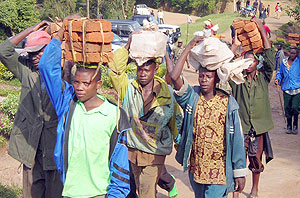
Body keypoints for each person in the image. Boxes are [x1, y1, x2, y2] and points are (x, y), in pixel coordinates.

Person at [38, 16, 131, 198]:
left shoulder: (115, 115)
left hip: (99, 194)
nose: (79, 87)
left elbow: (120, 166)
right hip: (68, 193)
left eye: (86, 83)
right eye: (76, 82)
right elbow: (46, 67)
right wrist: (62, 31)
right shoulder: (68, 105)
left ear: (98, 84)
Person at [170, 36, 248, 198]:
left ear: (216, 79)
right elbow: (174, 77)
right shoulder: (192, 97)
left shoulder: (228, 103)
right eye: (201, 76)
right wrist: (189, 46)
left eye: (208, 77)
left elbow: (237, 140)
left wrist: (239, 171)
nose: (204, 80)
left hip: (219, 172)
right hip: (196, 169)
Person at [108, 33, 182, 198]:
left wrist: (180, 146)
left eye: (146, 70)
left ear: (155, 69)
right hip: (134, 151)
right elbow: (114, 71)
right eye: (139, 69)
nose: (142, 74)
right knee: (142, 191)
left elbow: (175, 122)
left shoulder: (166, 93)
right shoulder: (129, 89)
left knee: (146, 192)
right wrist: (128, 46)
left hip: (155, 153)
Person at [0, 22, 64, 198]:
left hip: (54, 147)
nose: (35, 57)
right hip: (32, 147)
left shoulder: (62, 73)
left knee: (55, 193)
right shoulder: (26, 70)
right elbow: (3, 51)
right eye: (31, 53)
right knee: (31, 192)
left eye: (39, 52)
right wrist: (30, 30)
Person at [230, 18, 274, 198]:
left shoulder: (263, 77)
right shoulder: (236, 79)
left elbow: (270, 59)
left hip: (259, 126)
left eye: (251, 62)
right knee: (239, 160)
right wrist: (234, 45)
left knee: (256, 159)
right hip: (242, 126)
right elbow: (226, 65)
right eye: (245, 62)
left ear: (257, 63)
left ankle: (255, 189)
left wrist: (262, 33)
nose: (248, 65)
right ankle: (237, 191)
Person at [275, 46, 300, 135]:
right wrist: (277, 79)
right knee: (287, 108)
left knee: (295, 107)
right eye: (291, 53)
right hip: (286, 89)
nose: (292, 54)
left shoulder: (298, 61)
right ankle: (289, 125)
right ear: (288, 53)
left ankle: (295, 125)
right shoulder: (284, 62)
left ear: (297, 54)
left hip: (297, 89)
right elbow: (280, 73)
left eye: (294, 53)